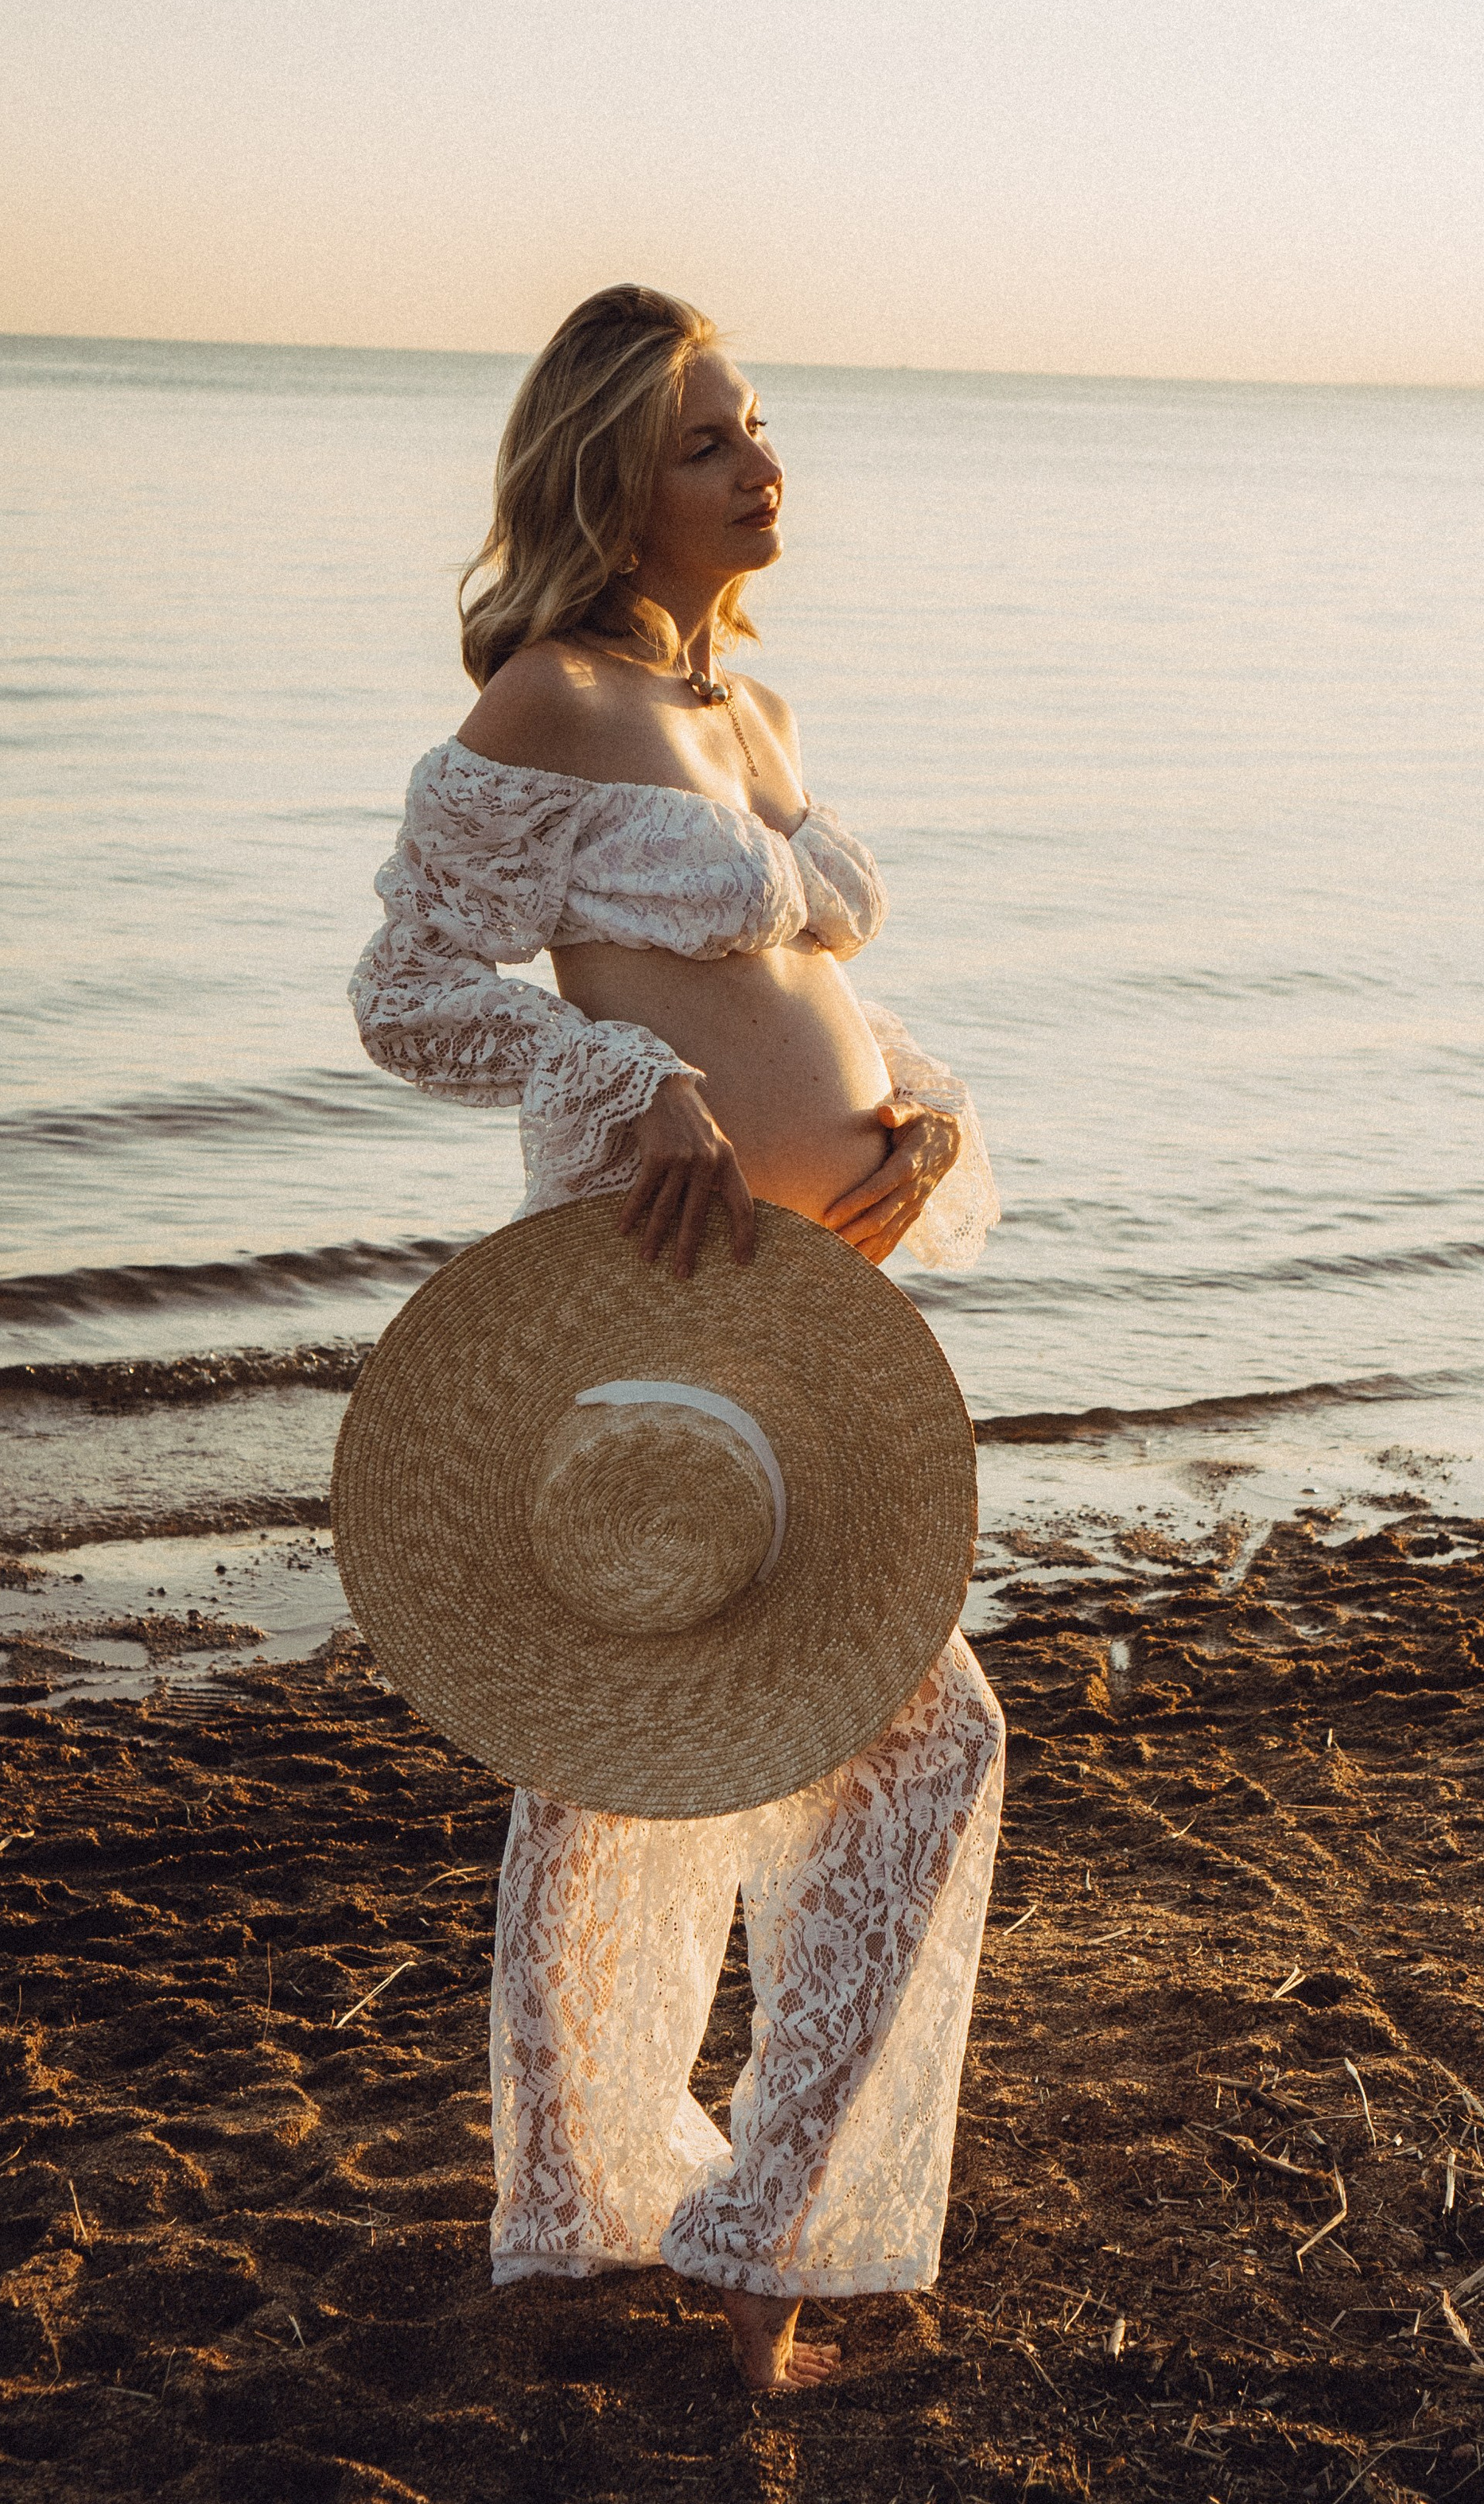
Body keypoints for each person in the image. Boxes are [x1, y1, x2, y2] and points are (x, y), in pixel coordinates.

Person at [348, 284, 1004, 2390]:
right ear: (614, 482)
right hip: (644, 1296)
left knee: (861, 1744)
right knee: (623, 1765)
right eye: (714, 439)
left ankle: (706, 2234)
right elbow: (413, 992)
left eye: (758, 427)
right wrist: (628, 1085)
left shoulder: (757, 721)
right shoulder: (547, 699)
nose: (760, 462)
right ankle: (627, 2235)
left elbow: (794, 991)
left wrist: (909, 1104)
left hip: (811, 1305)